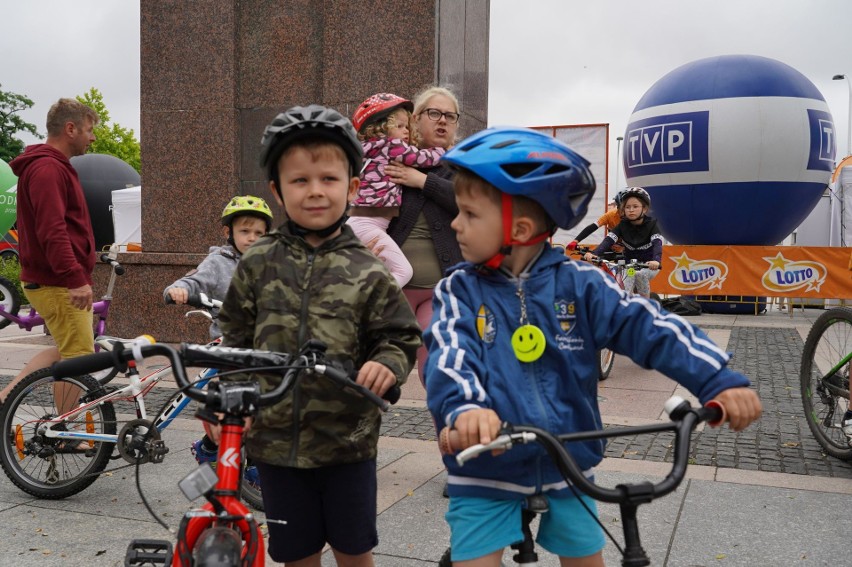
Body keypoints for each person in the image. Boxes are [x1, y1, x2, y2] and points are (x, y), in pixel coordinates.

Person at [425, 127, 763, 567]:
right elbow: (448, 353)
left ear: (521, 228)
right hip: (486, 468)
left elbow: (649, 326)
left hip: (570, 464)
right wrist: (465, 409)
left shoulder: (582, 284)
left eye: (469, 214)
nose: (455, 223)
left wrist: (717, 378)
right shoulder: (459, 290)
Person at [217, 104, 421, 566]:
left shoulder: (369, 269)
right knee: (297, 552)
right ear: (277, 190)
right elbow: (233, 339)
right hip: (274, 444)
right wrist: (229, 398)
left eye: (328, 179)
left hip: (347, 440)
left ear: (351, 187)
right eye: (300, 180)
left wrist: (387, 365)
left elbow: (400, 336)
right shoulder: (258, 261)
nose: (315, 192)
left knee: (354, 551)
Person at [163, 194, 272, 488]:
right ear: (229, 232)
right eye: (245, 231)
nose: (252, 238)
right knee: (224, 405)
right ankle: (210, 450)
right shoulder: (218, 261)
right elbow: (195, 280)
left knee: (263, 403)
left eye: (259, 233)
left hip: (259, 347)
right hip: (227, 347)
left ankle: (238, 460)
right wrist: (179, 289)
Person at [0, 98, 98, 405]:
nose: (92, 137)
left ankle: (6, 397)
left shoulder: (49, 167)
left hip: (54, 281)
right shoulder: (47, 169)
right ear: (70, 129)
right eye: (89, 129)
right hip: (57, 283)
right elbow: (52, 230)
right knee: (78, 355)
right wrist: (74, 278)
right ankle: (65, 431)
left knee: (69, 348)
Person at [385, 86, 463, 381]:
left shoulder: (462, 165)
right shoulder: (393, 159)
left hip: (441, 293)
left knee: (438, 372)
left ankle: (445, 427)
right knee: (382, 370)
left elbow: (471, 202)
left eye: (449, 116)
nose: (442, 121)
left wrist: (421, 180)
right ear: (415, 119)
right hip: (395, 290)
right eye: (434, 113)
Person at [348, 92, 446, 287]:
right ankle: (375, 298)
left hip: (357, 222)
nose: (406, 132)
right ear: (381, 129)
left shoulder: (365, 150)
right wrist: (443, 151)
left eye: (407, 126)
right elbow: (422, 159)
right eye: (400, 126)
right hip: (368, 225)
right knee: (403, 271)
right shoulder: (391, 146)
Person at [583, 186, 662, 298]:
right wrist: (594, 253)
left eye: (635, 206)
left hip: (648, 266)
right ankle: (625, 307)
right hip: (629, 265)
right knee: (624, 284)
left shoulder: (652, 225)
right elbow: (608, 240)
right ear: (623, 210)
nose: (631, 210)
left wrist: (656, 260)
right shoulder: (622, 225)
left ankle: (646, 306)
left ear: (644, 209)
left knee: (640, 275)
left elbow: (657, 244)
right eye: (627, 207)